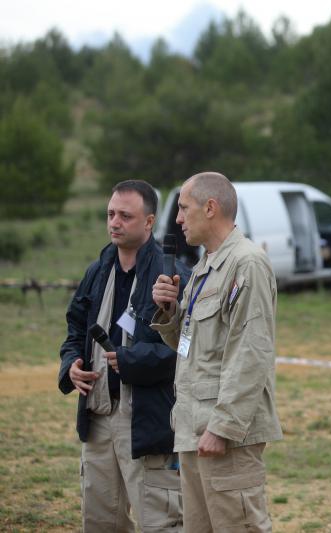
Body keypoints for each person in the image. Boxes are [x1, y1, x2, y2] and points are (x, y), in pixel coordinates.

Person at [151, 171, 283, 532]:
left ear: (210, 208)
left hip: (224, 435)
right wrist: (170, 311)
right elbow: (192, 347)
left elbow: (251, 352)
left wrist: (223, 427)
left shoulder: (246, 264)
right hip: (195, 430)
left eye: (183, 208)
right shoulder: (206, 266)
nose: (177, 218)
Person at [58, 180, 187, 532]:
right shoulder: (98, 271)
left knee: (159, 521)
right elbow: (75, 329)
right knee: (99, 521)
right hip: (97, 414)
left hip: (146, 418)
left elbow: (185, 349)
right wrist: (71, 366)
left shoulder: (172, 275)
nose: (114, 222)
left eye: (125, 216)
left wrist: (130, 361)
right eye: (110, 214)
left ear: (148, 222)